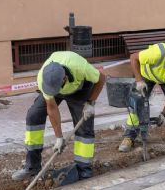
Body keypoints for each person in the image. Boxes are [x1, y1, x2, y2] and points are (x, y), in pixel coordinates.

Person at [12, 51, 105, 181]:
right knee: (34, 115)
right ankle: (32, 167)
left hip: (80, 89)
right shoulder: (43, 78)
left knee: (84, 126)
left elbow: (101, 78)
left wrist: (90, 103)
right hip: (56, 87)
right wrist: (59, 137)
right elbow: (52, 107)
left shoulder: (80, 67)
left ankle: (83, 170)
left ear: (65, 78)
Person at [118, 43, 165, 152]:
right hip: (146, 76)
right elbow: (133, 57)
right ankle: (129, 137)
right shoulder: (155, 54)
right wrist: (139, 80)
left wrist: (163, 113)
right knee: (136, 103)